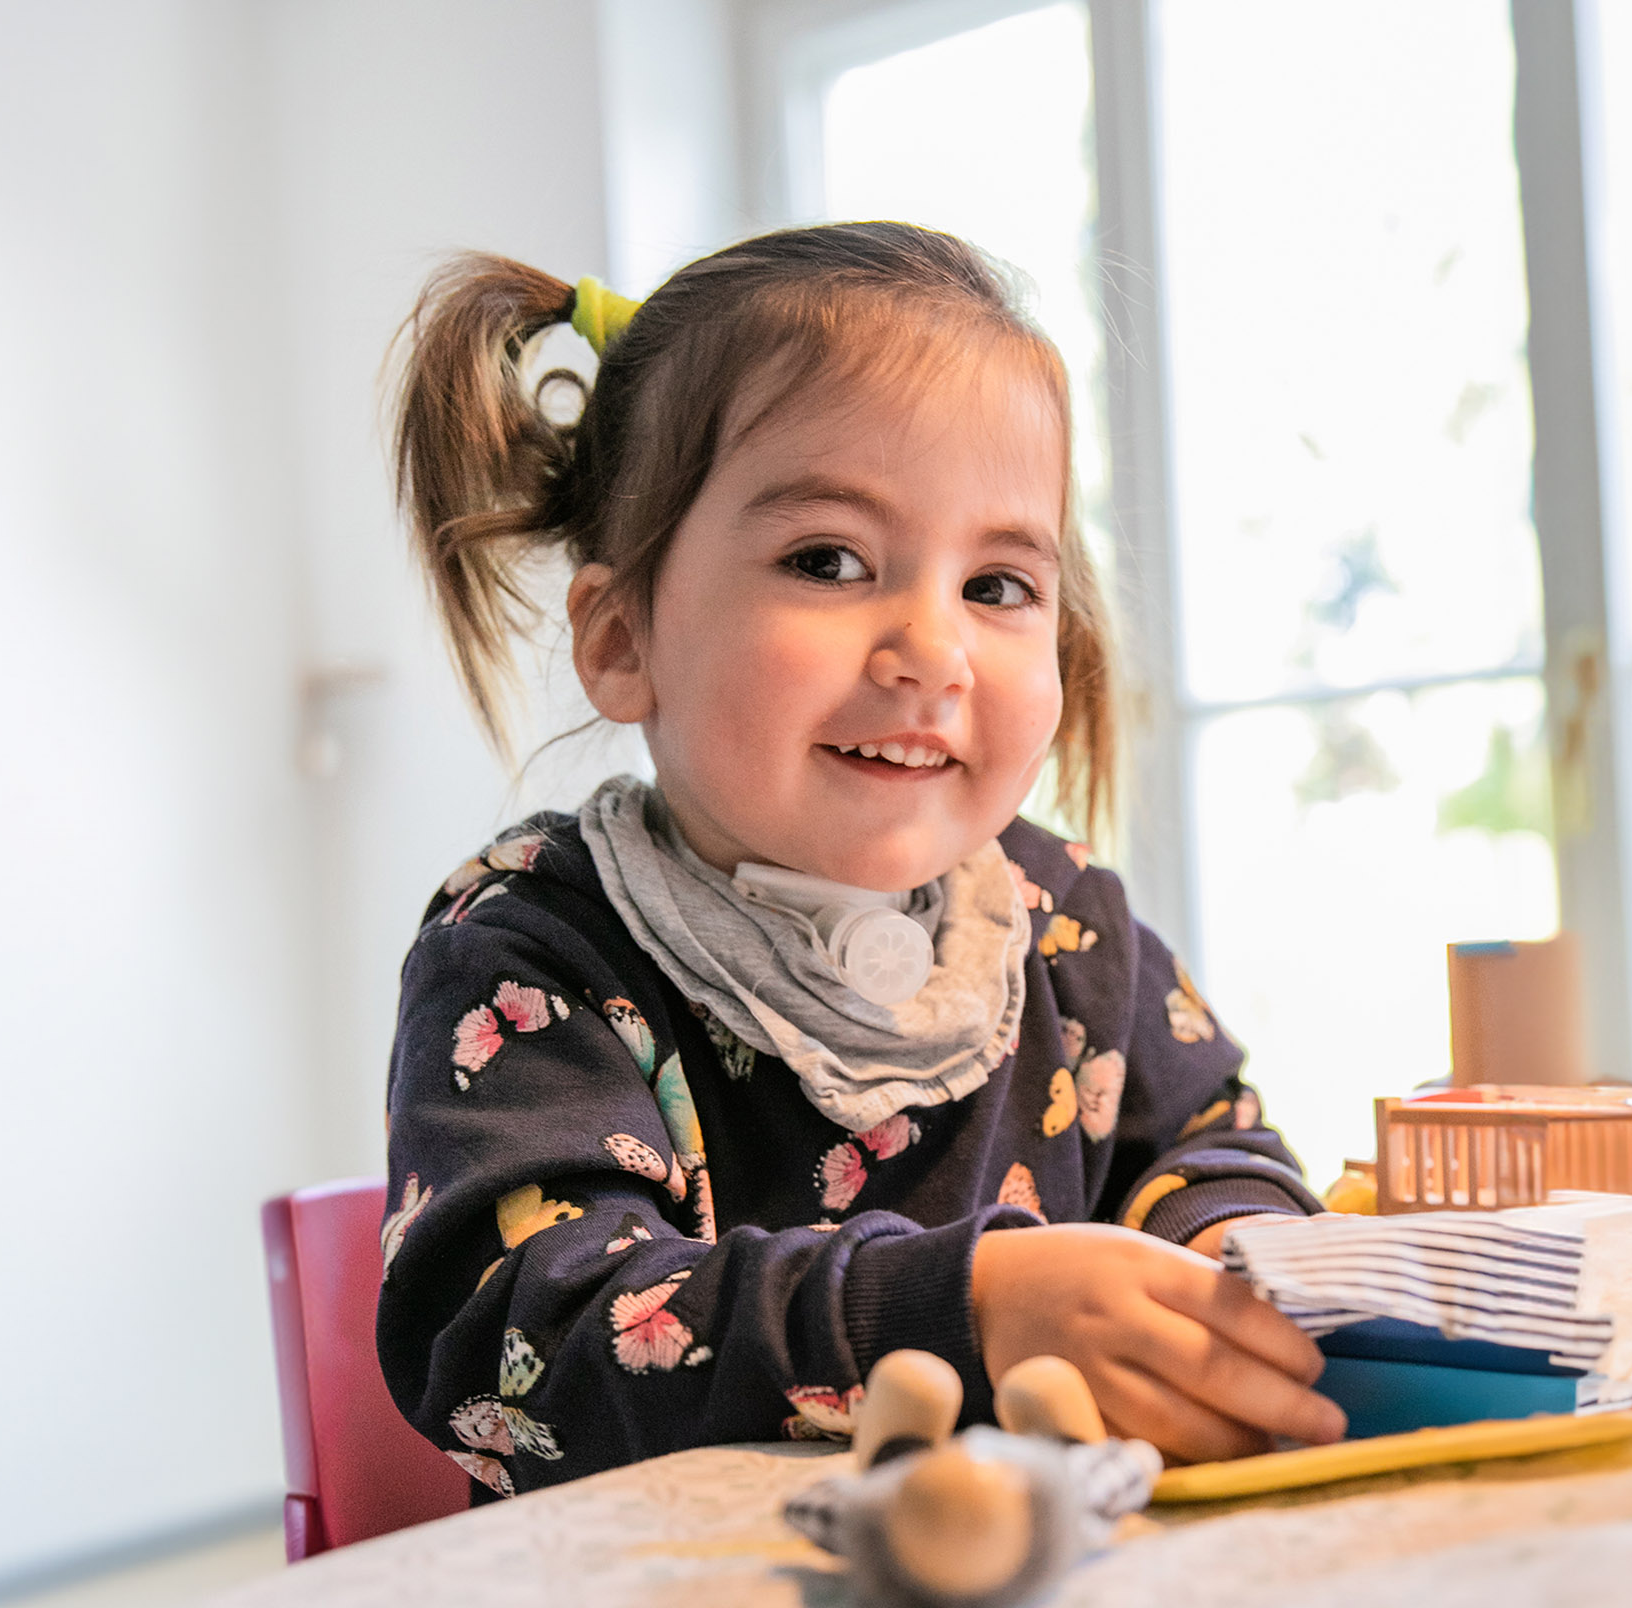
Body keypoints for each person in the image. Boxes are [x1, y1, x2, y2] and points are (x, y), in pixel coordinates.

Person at [376, 223, 1345, 1497]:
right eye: (827, 562)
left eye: (998, 586)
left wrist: (1226, 1250)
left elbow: (1208, 1139)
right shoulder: (529, 950)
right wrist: (967, 1306)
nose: (932, 651)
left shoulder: (1062, 921)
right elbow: (524, 1346)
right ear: (622, 639)